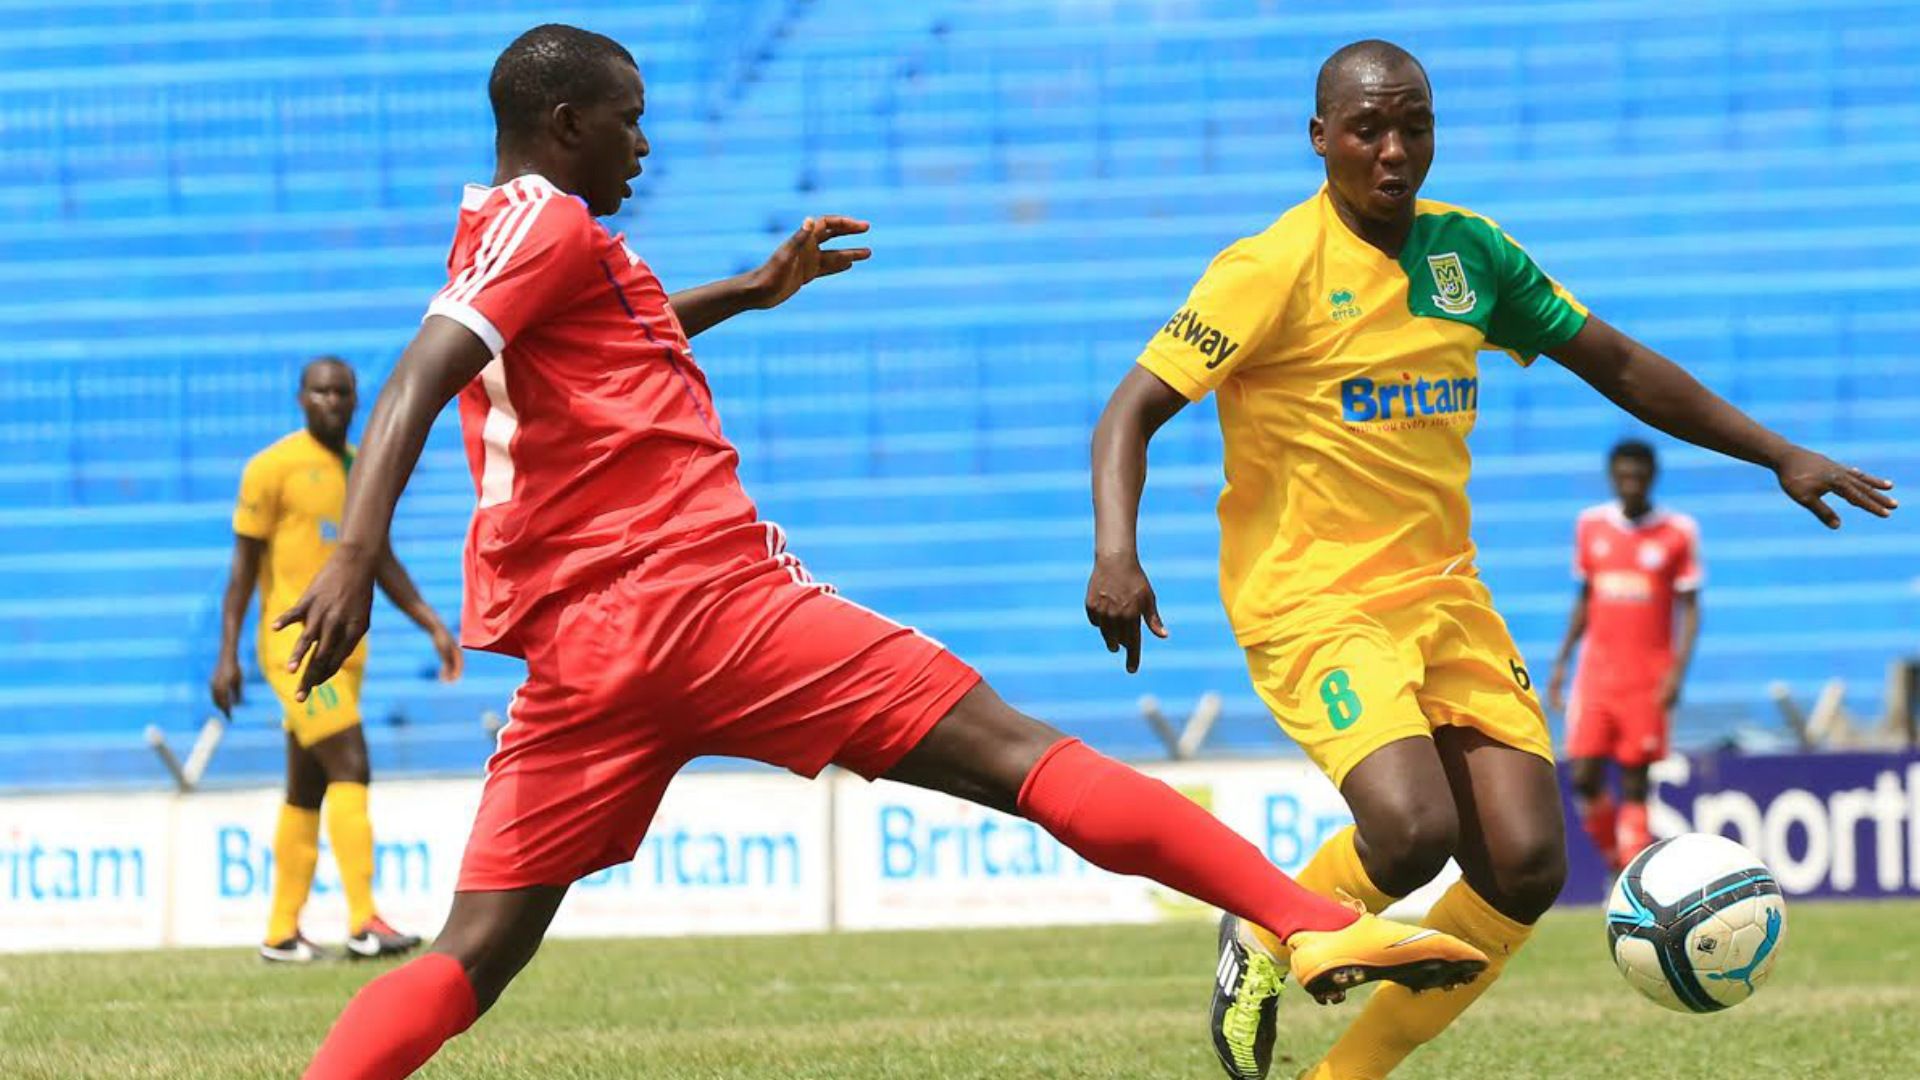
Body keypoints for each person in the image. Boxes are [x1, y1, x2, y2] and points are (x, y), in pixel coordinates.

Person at [280, 25, 1487, 1080]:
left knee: (472, 953)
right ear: (563, 123)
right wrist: (355, 548)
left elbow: (602, 334)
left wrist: (748, 294)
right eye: (627, 123)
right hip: (710, 606)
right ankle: (1300, 918)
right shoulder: (544, 221)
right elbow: (425, 365)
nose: (643, 147)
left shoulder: (533, 237)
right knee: (1020, 755)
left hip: (586, 662)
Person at [1085, 38, 1897, 1080]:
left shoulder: (1470, 256)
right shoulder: (1269, 269)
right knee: (1412, 831)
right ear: (1319, 139)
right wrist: (1118, 551)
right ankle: (1260, 927)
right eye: (1368, 128)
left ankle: (1344, 1077)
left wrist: (1779, 453)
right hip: (1314, 597)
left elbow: (1614, 361)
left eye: (1414, 125)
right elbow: (1131, 411)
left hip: (1445, 596)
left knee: (1524, 866)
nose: (1393, 150)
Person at [210, 356, 463, 963]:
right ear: (301, 398)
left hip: (346, 651)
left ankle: (281, 932)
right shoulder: (271, 469)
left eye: (342, 393)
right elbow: (242, 572)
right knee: (352, 760)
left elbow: (376, 557)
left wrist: (430, 620)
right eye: (320, 392)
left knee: (308, 785)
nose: (331, 401)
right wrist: (228, 655)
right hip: (293, 648)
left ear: (355, 401)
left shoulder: (360, 469)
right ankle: (363, 920)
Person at [1546, 440, 1702, 872]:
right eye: (1623, 474)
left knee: (1635, 782)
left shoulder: (1677, 532)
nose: (1630, 482)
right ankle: (1619, 865)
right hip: (1595, 677)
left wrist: (1677, 673)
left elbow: (1690, 608)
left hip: (1647, 678)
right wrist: (1561, 662)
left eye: (1639, 474)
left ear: (1652, 476)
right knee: (1583, 777)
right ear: (1612, 475)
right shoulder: (1591, 526)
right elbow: (1585, 597)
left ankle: (1631, 880)